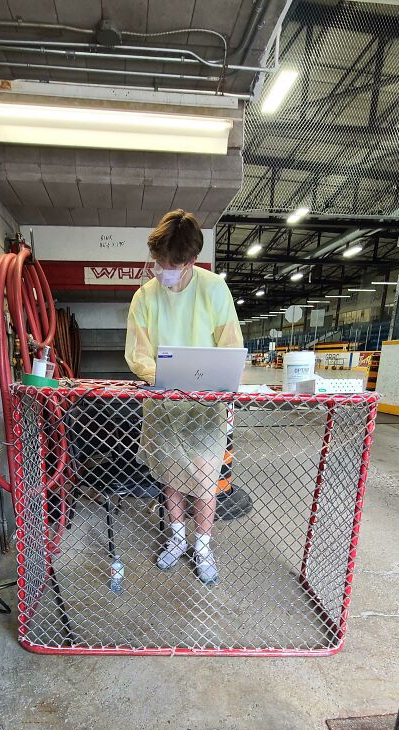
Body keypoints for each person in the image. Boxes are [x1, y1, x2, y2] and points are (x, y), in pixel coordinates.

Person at [125, 209, 243, 584]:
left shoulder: (213, 289)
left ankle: (203, 545)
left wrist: (214, 384)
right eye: (158, 261)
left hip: (206, 407)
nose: (162, 269)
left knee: (205, 480)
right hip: (163, 404)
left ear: (192, 260)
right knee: (173, 477)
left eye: (172, 263)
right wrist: (163, 379)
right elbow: (137, 354)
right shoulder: (144, 297)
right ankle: (177, 538)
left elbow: (230, 345)